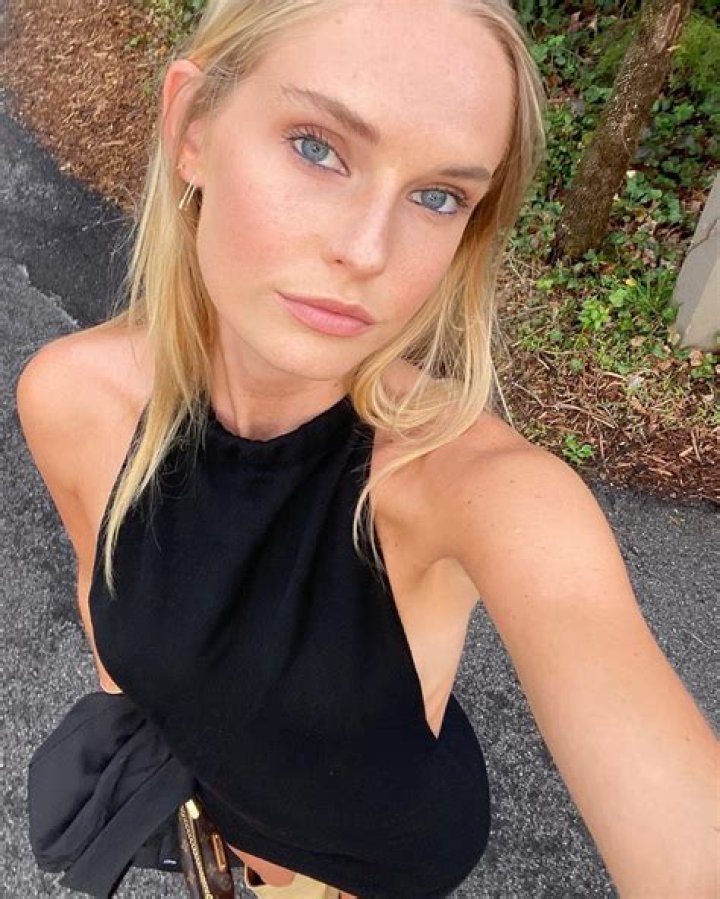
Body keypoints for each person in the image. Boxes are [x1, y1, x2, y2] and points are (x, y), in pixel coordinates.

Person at [16, 1, 717, 897]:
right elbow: (107, 606)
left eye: (438, 196)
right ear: (193, 128)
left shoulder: (483, 489)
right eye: (317, 147)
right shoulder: (71, 398)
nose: (367, 249)